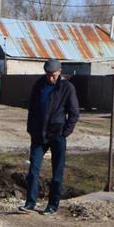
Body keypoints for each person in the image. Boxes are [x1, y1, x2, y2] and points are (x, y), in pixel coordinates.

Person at [23, 59, 80, 213]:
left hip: (57, 135)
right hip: (39, 134)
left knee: (57, 173)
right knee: (33, 169)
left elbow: (74, 113)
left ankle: (52, 206)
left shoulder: (67, 88)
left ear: (59, 72)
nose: (50, 78)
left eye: (53, 75)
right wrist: (31, 128)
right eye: (48, 74)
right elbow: (32, 108)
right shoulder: (39, 85)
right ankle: (30, 203)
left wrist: (65, 132)